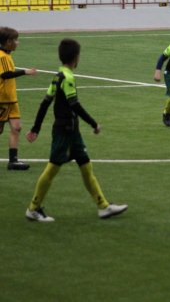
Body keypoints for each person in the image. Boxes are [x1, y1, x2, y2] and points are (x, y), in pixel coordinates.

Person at [25, 38, 127, 222]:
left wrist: (36, 128)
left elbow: (45, 103)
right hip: (64, 132)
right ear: (76, 58)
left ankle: (103, 206)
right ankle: (33, 208)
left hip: (72, 132)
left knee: (86, 166)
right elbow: (75, 105)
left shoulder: (58, 76)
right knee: (51, 170)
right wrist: (94, 124)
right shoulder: (67, 77)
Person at [0, 27, 37, 170]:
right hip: (2, 100)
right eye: (15, 40)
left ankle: (13, 161)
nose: (17, 43)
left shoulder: (7, 55)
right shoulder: (2, 56)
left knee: (17, 128)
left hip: (11, 99)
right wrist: (25, 72)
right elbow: (5, 75)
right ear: (8, 42)